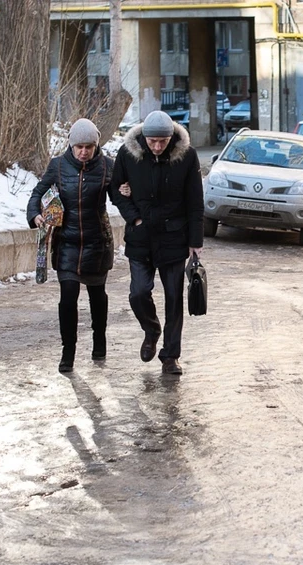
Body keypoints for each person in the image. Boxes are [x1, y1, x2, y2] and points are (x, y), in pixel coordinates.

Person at [111, 110, 203, 376]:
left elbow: (195, 202)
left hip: (174, 237)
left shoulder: (187, 156)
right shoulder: (128, 154)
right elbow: (116, 190)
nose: (158, 146)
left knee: (174, 299)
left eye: (163, 141)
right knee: (138, 292)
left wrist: (195, 241)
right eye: (153, 141)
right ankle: (151, 330)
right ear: (144, 138)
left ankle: (170, 356)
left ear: (172, 137)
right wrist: (134, 218)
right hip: (140, 237)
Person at [27, 118, 116, 373]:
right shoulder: (58, 166)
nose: (84, 152)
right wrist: (36, 214)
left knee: (97, 297)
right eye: (79, 147)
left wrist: (126, 192)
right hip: (66, 242)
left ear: (96, 145)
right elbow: (37, 193)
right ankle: (68, 351)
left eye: (89, 146)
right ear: (71, 145)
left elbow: (120, 197)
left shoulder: (107, 167)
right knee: (68, 299)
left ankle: (100, 340)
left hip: (97, 242)